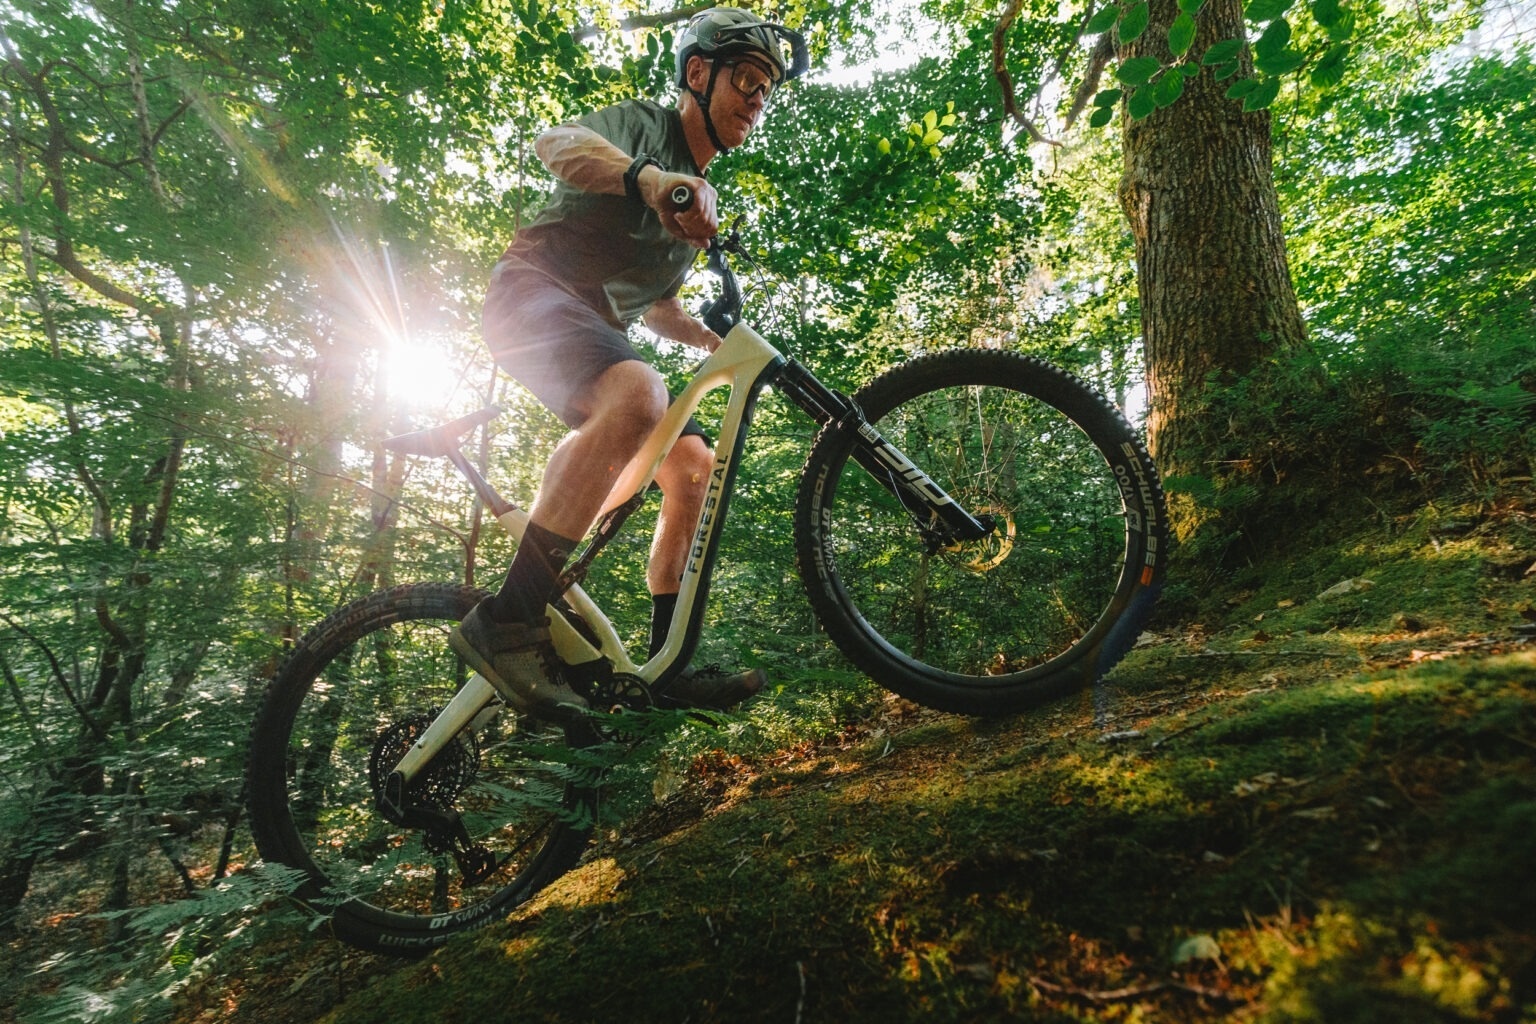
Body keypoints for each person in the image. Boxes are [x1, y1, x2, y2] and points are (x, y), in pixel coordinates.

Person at [450, 8, 809, 720]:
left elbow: (656, 308)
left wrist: (719, 347)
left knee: (692, 467)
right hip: (531, 292)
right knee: (640, 394)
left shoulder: (693, 213)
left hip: (596, 326)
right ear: (698, 75)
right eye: (746, 79)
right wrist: (653, 181)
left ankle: (663, 665)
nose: (757, 99)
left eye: (766, 89)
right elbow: (556, 144)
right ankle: (508, 619)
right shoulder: (647, 131)